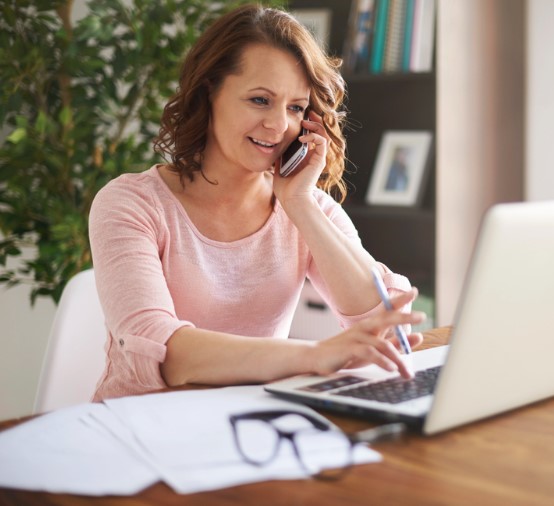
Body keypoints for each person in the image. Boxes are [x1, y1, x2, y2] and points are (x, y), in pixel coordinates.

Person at [88, 4, 424, 401]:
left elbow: (383, 321)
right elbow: (163, 352)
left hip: (257, 423)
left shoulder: (307, 207)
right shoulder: (131, 204)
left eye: (296, 107)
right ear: (209, 91)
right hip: (140, 430)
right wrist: (313, 355)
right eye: (261, 100)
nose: (279, 125)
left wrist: (299, 206)